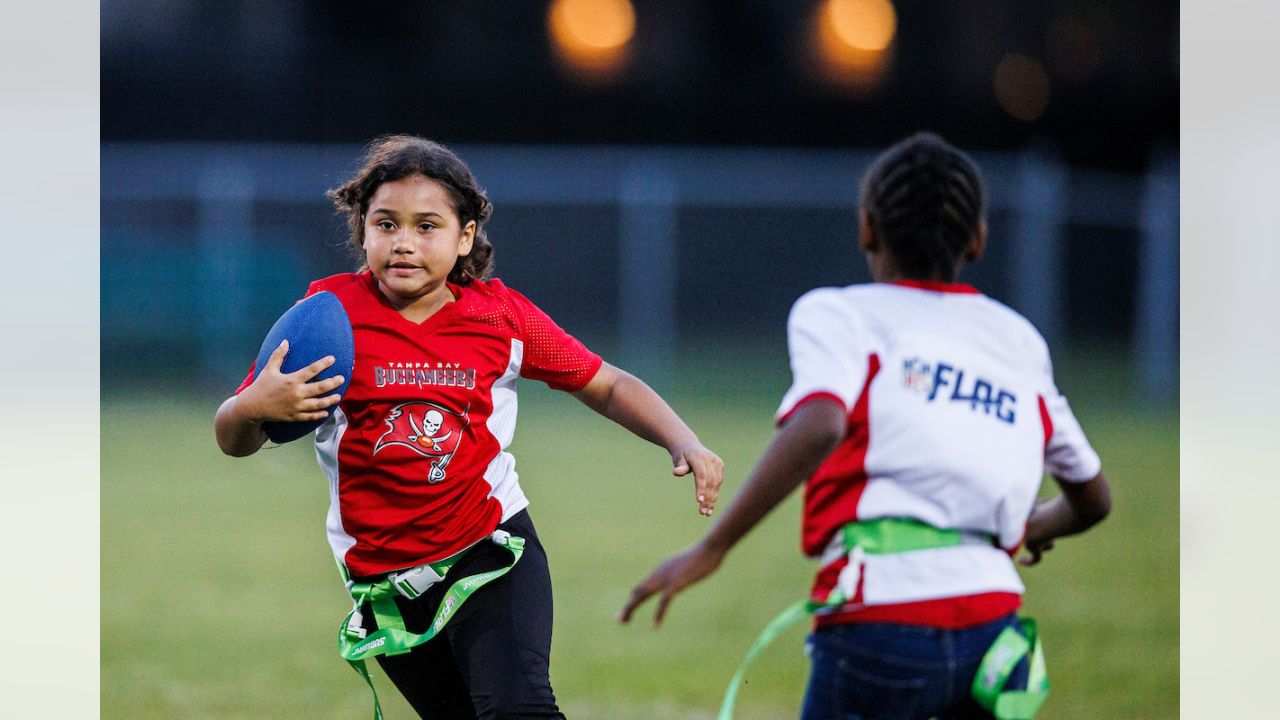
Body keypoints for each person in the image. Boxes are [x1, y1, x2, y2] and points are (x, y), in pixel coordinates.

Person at [213, 135, 724, 720]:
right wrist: (254, 405)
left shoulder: (498, 315)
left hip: (492, 550)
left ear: (464, 238)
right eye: (386, 224)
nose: (404, 243)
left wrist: (682, 439)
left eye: (426, 225)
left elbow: (605, 383)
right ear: (363, 232)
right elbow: (234, 437)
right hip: (388, 580)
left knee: (520, 709)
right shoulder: (329, 315)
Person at [619, 132, 1111, 720]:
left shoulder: (841, 314)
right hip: (994, 629)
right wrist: (1025, 527)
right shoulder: (1017, 340)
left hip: (880, 620)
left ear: (867, 229)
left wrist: (713, 547)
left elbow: (823, 421)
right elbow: (1092, 499)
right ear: (978, 238)